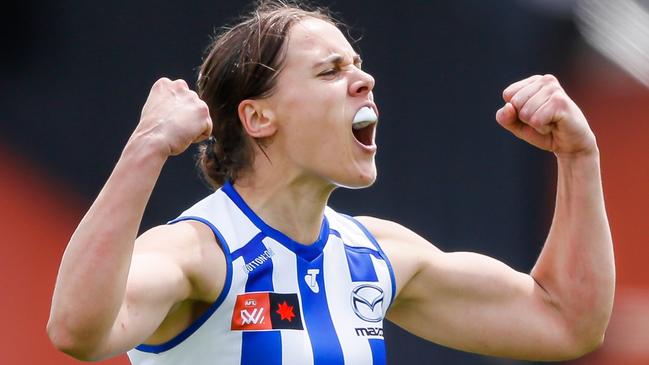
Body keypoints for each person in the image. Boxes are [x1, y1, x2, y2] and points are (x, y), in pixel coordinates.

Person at [47, 1, 615, 364]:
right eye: (330, 71)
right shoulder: (197, 251)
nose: (364, 79)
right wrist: (147, 147)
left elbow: (565, 322)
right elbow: (78, 330)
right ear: (258, 118)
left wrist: (578, 156)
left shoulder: (379, 252)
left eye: (358, 64)